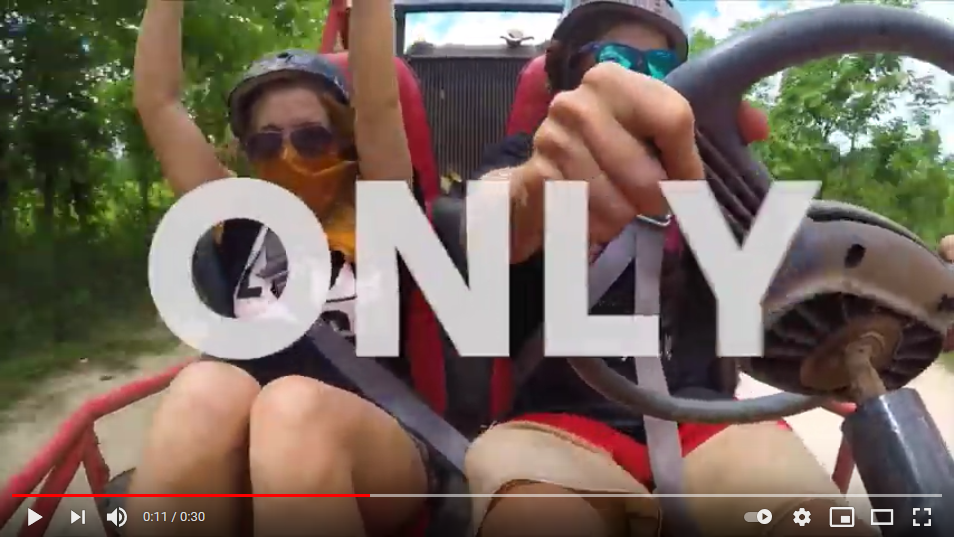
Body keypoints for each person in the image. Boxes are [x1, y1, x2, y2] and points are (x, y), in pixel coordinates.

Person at [462, 1, 904, 536]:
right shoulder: (521, 159)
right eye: (613, 59)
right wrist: (539, 184)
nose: (639, 82)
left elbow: (808, 292)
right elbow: (489, 220)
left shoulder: (720, 181)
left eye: (660, 68)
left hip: (709, 422)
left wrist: (925, 290)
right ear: (562, 69)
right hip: (555, 427)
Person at [125, 2, 430, 537]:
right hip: (252, 437)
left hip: (376, 439)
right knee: (204, 386)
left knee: (291, 407)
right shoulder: (240, 217)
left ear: (344, 137)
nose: (289, 153)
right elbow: (158, 104)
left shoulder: (380, 208)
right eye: (268, 141)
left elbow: (379, 102)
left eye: (311, 137)